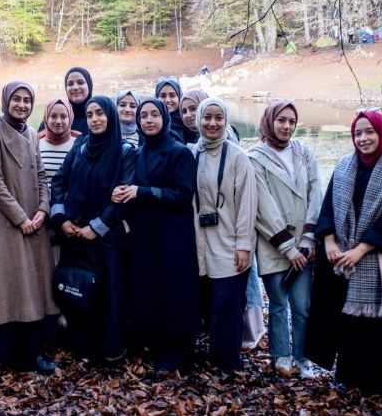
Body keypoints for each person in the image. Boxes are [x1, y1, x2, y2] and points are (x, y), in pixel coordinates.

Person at [306, 109, 382, 395]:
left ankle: (373, 379)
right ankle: (346, 374)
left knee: (371, 324)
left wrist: (360, 250)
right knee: (344, 319)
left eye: (369, 132)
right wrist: (329, 243)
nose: (363, 138)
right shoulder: (343, 166)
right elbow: (327, 207)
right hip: (338, 256)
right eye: (358, 133)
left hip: (375, 258)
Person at [114, 98, 199, 373]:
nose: (148, 120)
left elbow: (184, 194)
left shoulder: (179, 152)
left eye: (154, 115)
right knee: (149, 289)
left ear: (164, 118)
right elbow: (133, 188)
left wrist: (143, 192)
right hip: (145, 235)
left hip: (173, 236)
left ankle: (178, 351)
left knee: (175, 292)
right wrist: (122, 192)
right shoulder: (138, 153)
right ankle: (154, 343)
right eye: (143, 116)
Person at [0, 81, 59, 373]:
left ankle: (35, 349)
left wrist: (42, 209)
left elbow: (40, 176)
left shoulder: (31, 135)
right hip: (8, 224)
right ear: (6, 101)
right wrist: (20, 217)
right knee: (12, 287)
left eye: (27, 100)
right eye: (17, 99)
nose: (22, 105)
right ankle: (14, 354)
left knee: (35, 286)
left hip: (34, 222)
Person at [50, 96, 135, 364]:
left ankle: (110, 348)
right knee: (77, 287)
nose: (95, 119)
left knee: (107, 292)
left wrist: (96, 228)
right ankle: (81, 344)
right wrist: (61, 218)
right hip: (74, 233)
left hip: (106, 237)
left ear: (110, 115)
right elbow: (59, 181)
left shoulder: (125, 151)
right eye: (90, 114)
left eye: (100, 113)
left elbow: (121, 199)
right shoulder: (80, 145)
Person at [249, 100, 323, 378]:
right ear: (270, 121)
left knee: (303, 306)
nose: (287, 126)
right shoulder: (255, 157)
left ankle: (303, 357)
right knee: (278, 304)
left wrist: (308, 238)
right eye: (281, 120)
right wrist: (287, 247)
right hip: (274, 245)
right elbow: (262, 205)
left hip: (304, 245)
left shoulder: (304, 152)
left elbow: (316, 191)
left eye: (291, 121)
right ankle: (281, 354)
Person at [192, 98, 257, 373]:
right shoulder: (192, 153)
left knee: (228, 306)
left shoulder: (237, 157)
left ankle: (228, 364)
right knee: (209, 305)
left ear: (226, 121)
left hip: (230, 242)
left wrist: (244, 245)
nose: (212, 123)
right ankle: (212, 358)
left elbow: (247, 204)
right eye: (207, 117)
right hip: (201, 242)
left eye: (219, 118)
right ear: (198, 120)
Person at [37, 97, 80, 181]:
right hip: (42, 194)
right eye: (53, 116)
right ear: (46, 118)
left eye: (63, 116)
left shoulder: (78, 145)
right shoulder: (37, 144)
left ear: (70, 118)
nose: (58, 121)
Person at [156, 77, 188, 143]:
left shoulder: (189, 122)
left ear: (179, 97)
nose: (167, 100)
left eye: (172, 95)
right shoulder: (150, 124)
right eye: (163, 96)